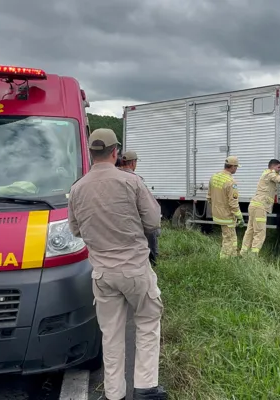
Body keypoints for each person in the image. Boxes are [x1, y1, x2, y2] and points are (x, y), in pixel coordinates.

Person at [68, 128, 167, 400]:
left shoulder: (77, 189)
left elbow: (75, 230)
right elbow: (153, 222)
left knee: (110, 335)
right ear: (115, 152)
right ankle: (146, 388)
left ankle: (114, 394)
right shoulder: (131, 182)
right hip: (135, 269)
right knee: (147, 322)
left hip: (102, 273)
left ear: (91, 153)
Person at [240, 159, 280, 255]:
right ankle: (253, 255)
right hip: (260, 207)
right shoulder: (270, 173)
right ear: (273, 166)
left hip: (254, 205)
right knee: (260, 232)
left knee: (250, 230)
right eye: (278, 167)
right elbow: (279, 179)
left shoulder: (265, 174)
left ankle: (243, 252)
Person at [118, 150, 160, 266]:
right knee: (151, 234)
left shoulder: (113, 177)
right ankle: (152, 260)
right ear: (132, 163)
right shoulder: (136, 180)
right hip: (135, 222)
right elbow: (148, 210)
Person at [206, 156, 244, 258]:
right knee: (229, 238)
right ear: (232, 167)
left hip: (217, 213)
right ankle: (225, 260)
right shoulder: (231, 182)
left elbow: (209, 197)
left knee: (231, 237)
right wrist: (239, 217)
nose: (236, 169)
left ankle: (233, 256)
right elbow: (233, 204)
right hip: (227, 216)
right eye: (236, 167)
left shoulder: (214, 177)